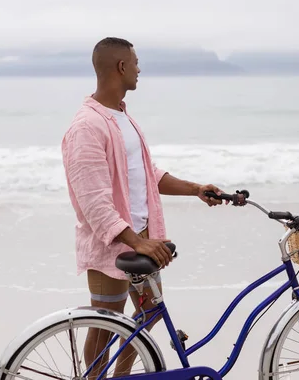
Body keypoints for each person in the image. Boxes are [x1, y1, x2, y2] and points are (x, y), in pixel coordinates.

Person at [61, 36, 225, 377]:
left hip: (143, 237)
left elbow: (147, 174)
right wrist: (137, 241)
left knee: (149, 314)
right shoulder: (86, 126)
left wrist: (195, 188)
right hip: (114, 244)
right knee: (106, 326)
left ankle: (123, 377)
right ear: (121, 67)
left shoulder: (123, 117)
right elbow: (94, 202)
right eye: (135, 64)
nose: (139, 70)